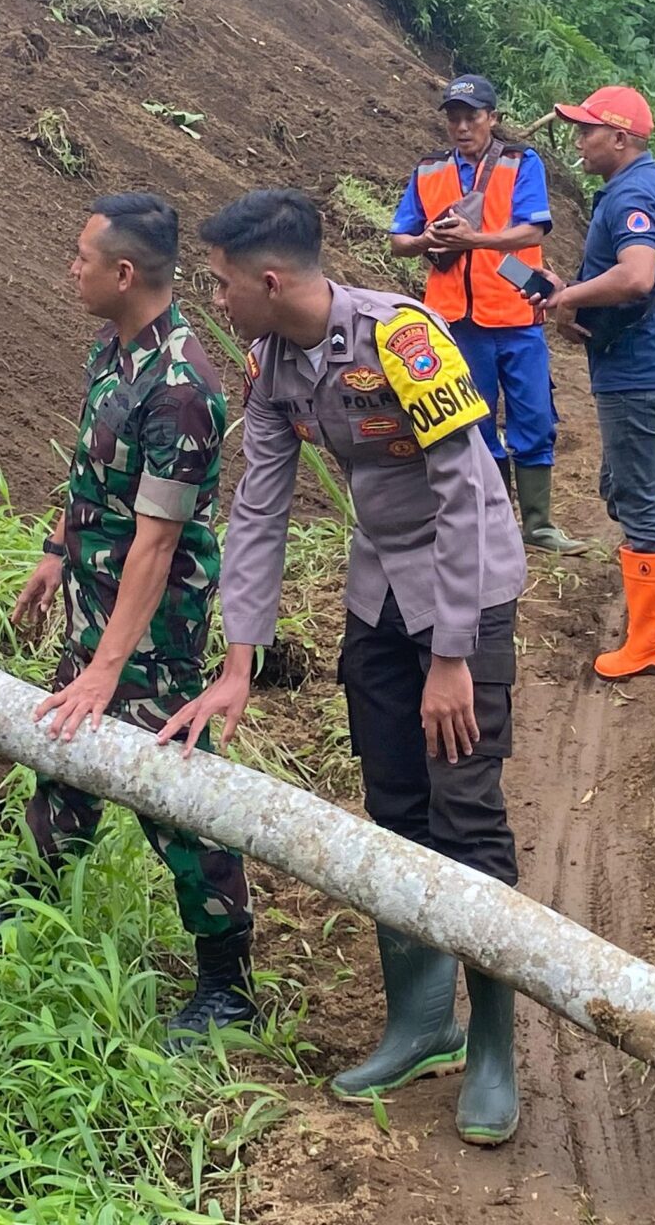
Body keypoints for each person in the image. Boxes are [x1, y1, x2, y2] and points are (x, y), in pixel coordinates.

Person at [160, 189, 527, 1148]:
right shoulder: (273, 365)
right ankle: (419, 1023)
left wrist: (452, 655)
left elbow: (462, 489)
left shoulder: (404, 339)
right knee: (397, 810)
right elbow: (259, 507)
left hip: (464, 589)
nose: (217, 300)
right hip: (379, 596)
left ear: (269, 280)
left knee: (468, 814)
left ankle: (493, 1044)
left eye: (222, 284)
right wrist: (241, 659)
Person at [0, 194, 255, 1040]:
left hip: (150, 625)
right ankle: (34, 909)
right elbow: (92, 473)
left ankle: (227, 979)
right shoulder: (116, 352)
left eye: (82, 257)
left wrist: (110, 665)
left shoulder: (180, 389)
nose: (71, 269)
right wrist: (53, 551)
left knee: (169, 783)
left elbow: (157, 541)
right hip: (94, 598)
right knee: (63, 751)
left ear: (125, 272)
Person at [529, 86, 655, 680]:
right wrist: (579, 304)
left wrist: (565, 297)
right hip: (650, 364)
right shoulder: (644, 187)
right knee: (633, 491)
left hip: (639, 374)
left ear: (621, 137)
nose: (579, 142)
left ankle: (654, 641)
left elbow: (636, 277)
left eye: (587, 131)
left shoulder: (631, 194)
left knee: (636, 501)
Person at [388, 74, 585, 555]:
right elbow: (398, 241)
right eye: (453, 118)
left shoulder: (521, 163)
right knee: (474, 423)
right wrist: (426, 242)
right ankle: (494, 524)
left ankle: (537, 525)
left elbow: (532, 232)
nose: (461, 126)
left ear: (491, 118)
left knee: (534, 418)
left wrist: (473, 241)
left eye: (471, 117)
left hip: (516, 312)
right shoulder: (429, 171)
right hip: (454, 322)